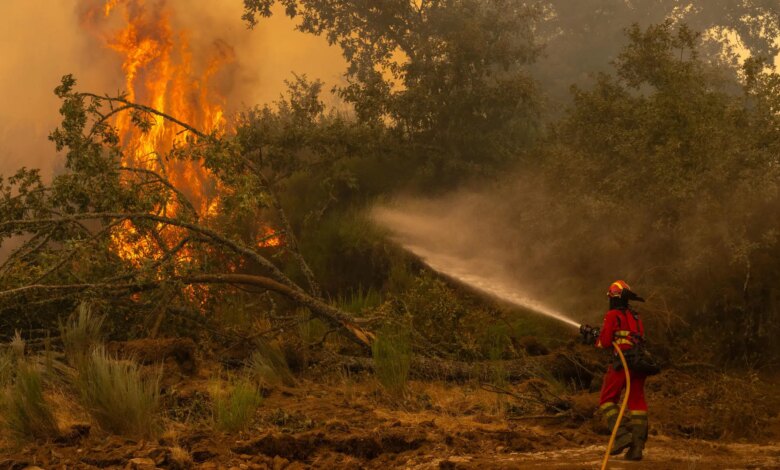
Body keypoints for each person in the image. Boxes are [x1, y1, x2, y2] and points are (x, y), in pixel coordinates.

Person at [581, 280, 651, 461]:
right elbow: (632, 337)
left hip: (622, 363)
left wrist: (593, 339)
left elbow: (605, 342)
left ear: (613, 297)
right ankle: (637, 449)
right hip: (639, 363)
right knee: (637, 404)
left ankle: (621, 436)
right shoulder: (636, 316)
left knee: (606, 399)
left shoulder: (612, 315)